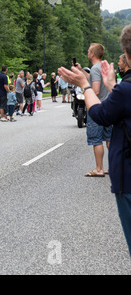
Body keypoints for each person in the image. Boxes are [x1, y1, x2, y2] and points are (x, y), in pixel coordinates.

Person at [57, 24, 131, 257]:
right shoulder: (122, 88)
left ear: (127, 55)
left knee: (97, 137)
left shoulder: (125, 89)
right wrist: (113, 87)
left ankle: (100, 167)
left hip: (128, 178)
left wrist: (84, 85)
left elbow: (100, 114)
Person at [82, 43, 112, 177]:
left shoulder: (94, 68)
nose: (88, 53)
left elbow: (96, 89)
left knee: (97, 139)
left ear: (92, 54)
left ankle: (99, 168)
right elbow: (94, 78)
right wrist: (82, 72)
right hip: (109, 107)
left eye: (89, 51)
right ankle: (114, 167)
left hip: (98, 108)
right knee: (110, 138)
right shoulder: (104, 67)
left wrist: (87, 96)